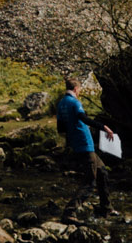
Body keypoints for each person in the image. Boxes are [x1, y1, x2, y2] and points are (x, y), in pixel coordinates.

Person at [53, 78, 110, 217]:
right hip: (85, 144)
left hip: (77, 144)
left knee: (102, 172)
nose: (79, 92)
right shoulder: (74, 102)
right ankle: (70, 211)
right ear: (76, 89)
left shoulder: (61, 103)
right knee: (90, 182)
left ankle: (106, 208)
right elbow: (84, 118)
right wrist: (104, 127)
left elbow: (60, 128)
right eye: (79, 90)